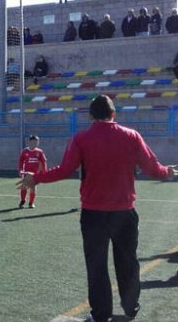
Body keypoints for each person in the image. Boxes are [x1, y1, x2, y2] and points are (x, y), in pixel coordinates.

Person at [17, 95, 177, 322]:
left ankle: (101, 314)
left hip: (93, 214)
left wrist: (36, 178)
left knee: (96, 266)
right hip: (124, 213)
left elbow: (65, 169)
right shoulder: (131, 135)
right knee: (128, 262)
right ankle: (131, 307)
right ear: (114, 114)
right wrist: (166, 172)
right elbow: (152, 167)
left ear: (91, 116)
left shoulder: (81, 139)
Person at [17, 135, 46, 209]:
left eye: (37, 142)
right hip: (26, 172)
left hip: (35, 173)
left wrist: (44, 171)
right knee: (24, 186)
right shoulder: (25, 151)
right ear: (30, 142)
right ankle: (23, 200)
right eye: (34, 141)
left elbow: (43, 161)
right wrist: (20, 170)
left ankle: (31, 203)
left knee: (33, 187)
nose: (36, 143)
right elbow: (21, 161)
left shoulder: (40, 151)